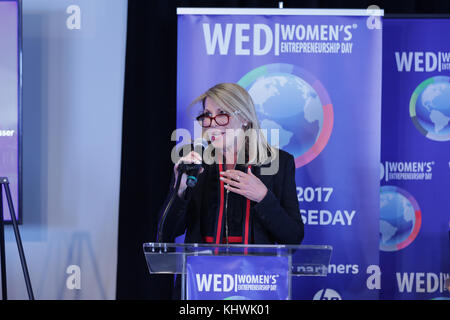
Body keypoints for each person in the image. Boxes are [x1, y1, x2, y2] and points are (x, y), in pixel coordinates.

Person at [158, 83, 304, 246]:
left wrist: (263, 197)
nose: (212, 123)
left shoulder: (279, 162)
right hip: (203, 268)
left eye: (222, 113)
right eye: (207, 114)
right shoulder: (192, 158)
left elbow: (293, 237)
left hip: (257, 270)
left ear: (245, 118)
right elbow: (167, 233)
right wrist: (180, 190)